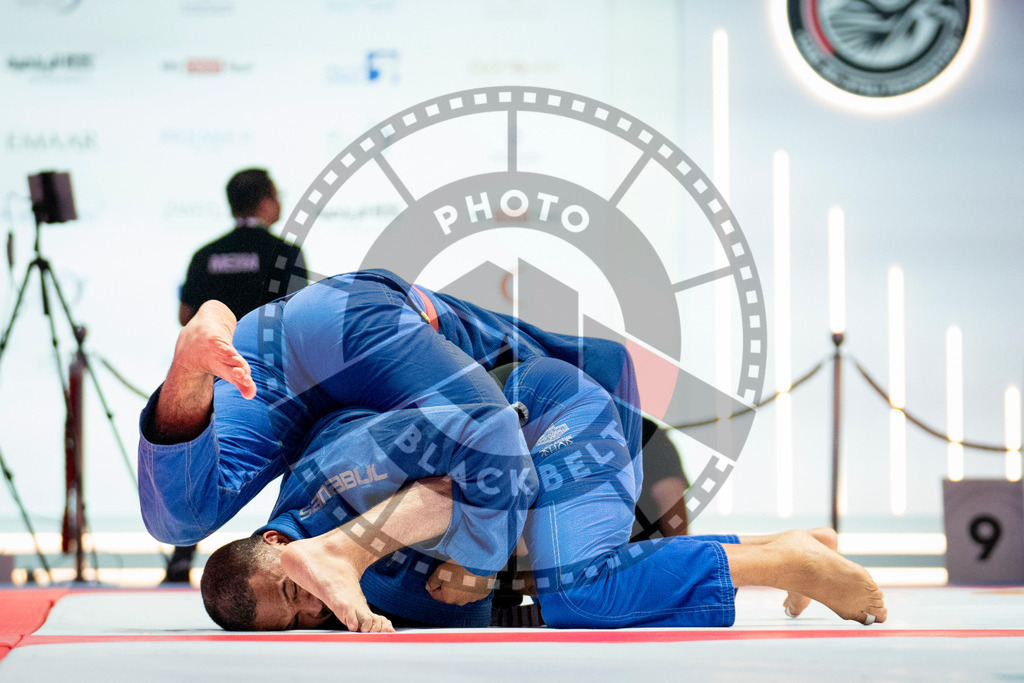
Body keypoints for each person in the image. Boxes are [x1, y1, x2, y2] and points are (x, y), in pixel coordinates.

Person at [200, 357, 886, 631]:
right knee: (569, 590)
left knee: (580, 590)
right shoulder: (349, 595)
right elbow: (484, 612)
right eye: (293, 622)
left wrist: (476, 554)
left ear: (276, 541)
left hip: (546, 414)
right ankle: (785, 545)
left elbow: (487, 436)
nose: (312, 608)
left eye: (291, 592)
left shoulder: (334, 474)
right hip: (524, 466)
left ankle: (790, 564)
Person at [141, 269, 639, 588]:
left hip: (266, 342)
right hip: (343, 325)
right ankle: (198, 355)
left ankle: (192, 364)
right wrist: (480, 565)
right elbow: (600, 367)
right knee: (487, 437)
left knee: (179, 519)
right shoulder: (564, 370)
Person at [164, 168, 309, 583]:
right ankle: (293, 559)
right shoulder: (285, 251)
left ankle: (179, 559)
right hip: (266, 376)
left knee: (197, 458)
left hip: (211, 373)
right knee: (296, 458)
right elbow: (297, 315)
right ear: (266, 202)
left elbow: (187, 317)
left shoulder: (206, 253)